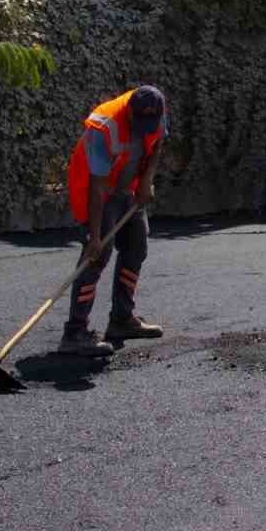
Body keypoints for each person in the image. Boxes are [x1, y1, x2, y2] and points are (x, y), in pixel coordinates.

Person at [61, 85, 168, 356]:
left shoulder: (157, 111)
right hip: (95, 191)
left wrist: (146, 182)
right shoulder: (105, 126)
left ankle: (121, 320)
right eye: (139, 122)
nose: (145, 127)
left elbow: (156, 145)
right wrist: (95, 237)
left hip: (127, 189)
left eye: (150, 122)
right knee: (96, 256)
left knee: (136, 247)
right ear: (128, 112)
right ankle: (75, 332)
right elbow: (96, 186)